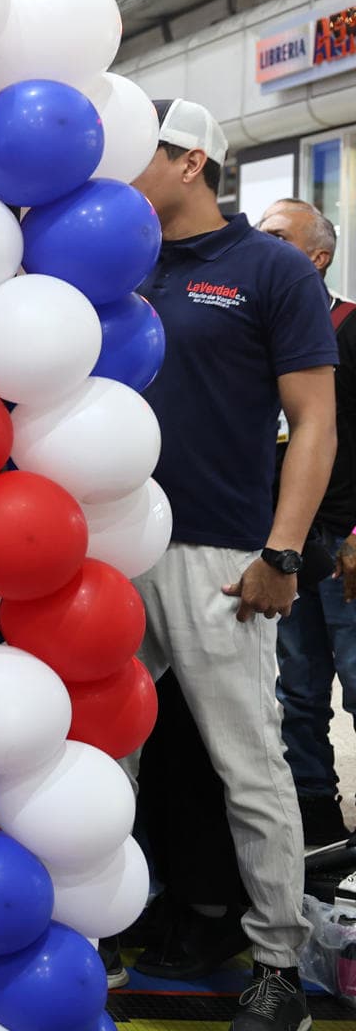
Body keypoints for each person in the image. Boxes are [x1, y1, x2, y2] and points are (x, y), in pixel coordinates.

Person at [127, 100, 333, 1031]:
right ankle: (83, 931)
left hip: (220, 554)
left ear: (191, 161)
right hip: (111, 550)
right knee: (96, 762)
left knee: (250, 766)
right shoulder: (113, 264)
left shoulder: (271, 270)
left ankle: (279, 961)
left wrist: (282, 550)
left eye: (142, 155)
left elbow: (315, 423)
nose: (123, 173)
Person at [260, 198, 356, 847]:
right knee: (296, 695)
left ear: (316, 257)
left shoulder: (350, 326)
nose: (259, 247)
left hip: (345, 541)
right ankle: (317, 822)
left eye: (275, 236)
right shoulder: (259, 333)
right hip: (288, 546)